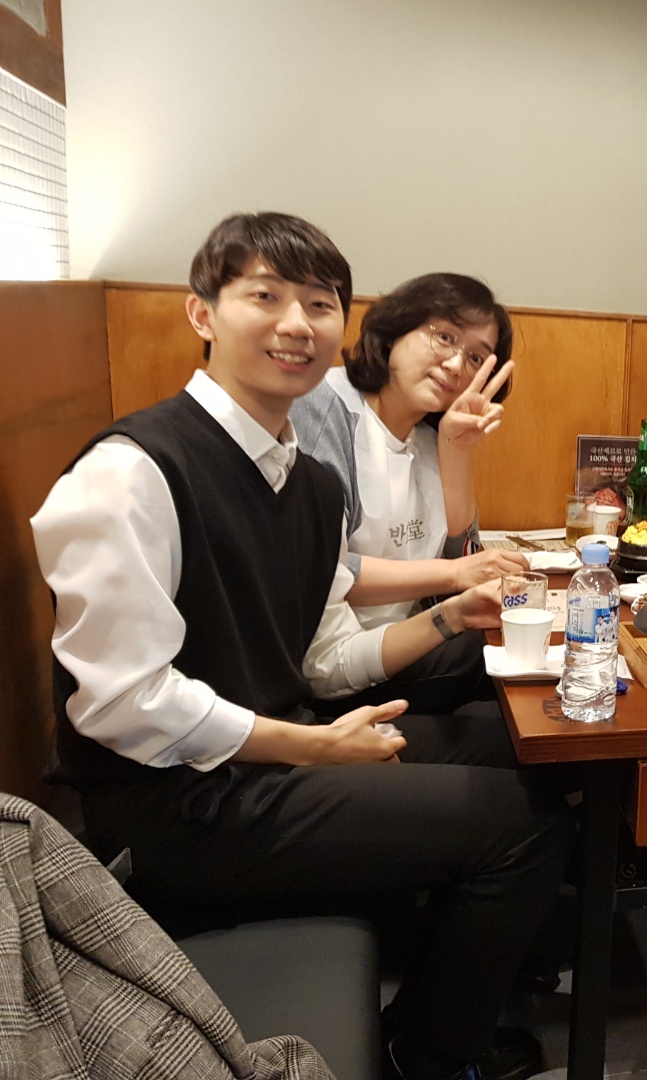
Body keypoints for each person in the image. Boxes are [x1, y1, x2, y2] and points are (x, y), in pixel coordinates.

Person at [31, 212, 570, 1080]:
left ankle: (440, 1003)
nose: (296, 323)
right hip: (179, 808)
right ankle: (428, 1058)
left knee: (517, 748)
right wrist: (310, 747)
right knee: (522, 826)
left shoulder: (310, 485)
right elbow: (122, 704)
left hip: (277, 755)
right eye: (265, 296)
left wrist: (447, 618)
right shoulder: (131, 472)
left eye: (319, 304)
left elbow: (322, 661)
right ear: (203, 313)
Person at [290, 273, 526, 712]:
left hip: (399, 644)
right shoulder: (324, 408)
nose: (456, 366)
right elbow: (323, 573)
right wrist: (455, 575)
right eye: (445, 337)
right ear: (395, 329)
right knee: (513, 696)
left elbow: (461, 552)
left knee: (523, 668)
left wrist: (456, 450)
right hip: (326, 672)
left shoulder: (427, 434)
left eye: (476, 357)